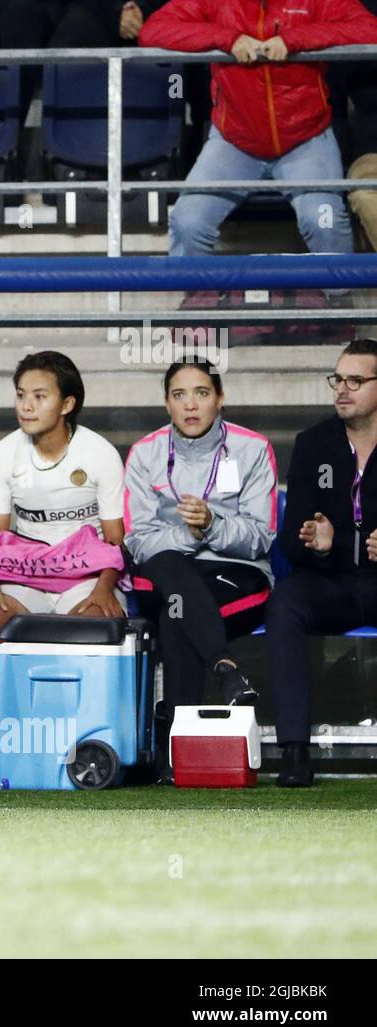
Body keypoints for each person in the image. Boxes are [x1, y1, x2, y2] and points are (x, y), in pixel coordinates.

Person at [0, 352, 127, 774]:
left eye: (39, 396)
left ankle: (86, 745)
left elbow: (114, 540)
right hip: (25, 574)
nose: (27, 406)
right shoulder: (3, 454)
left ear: (67, 404)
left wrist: (104, 589)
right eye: (21, 396)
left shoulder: (99, 453)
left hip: (85, 576)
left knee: (95, 622)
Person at [140, 0, 377, 276]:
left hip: (306, 138)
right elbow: (154, 31)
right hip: (234, 141)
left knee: (324, 223)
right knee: (189, 223)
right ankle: (196, 313)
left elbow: (369, 28)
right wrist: (228, 39)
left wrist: (295, 40)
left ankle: (338, 313)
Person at [124, 357, 278, 781]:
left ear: (220, 399)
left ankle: (171, 756)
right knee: (172, 569)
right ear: (167, 404)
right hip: (163, 571)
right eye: (179, 395)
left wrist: (212, 525)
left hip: (233, 573)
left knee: (177, 613)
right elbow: (137, 540)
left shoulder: (253, 448)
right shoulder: (145, 453)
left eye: (202, 393)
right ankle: (224, 667)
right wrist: (190, 536)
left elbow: (261, 537)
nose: (190, 405)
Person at [265, 340, 377, 786]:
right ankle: (294, 751)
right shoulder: (313, 444)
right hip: (332, 583)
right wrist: (325, 545)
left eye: (356, 380)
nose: (342, 390)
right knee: (286, 603)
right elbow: (292, 541)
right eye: (338, 379)